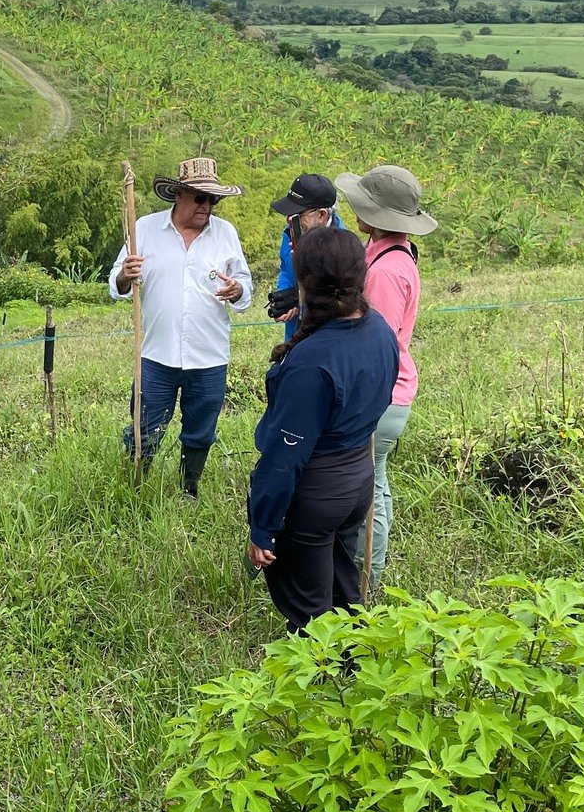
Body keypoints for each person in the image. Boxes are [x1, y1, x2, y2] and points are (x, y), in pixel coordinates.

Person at [246, 227, 398, 632]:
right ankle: (357, 661)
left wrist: (263, 527)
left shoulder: (311, 361)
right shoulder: (380, 330)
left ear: (305, 282)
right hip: (358, 478)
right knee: (343, 591)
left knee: (308, 612)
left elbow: (284, 457)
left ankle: (322, 670)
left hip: (316, 491)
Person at [109, 156, 253, 497]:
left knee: (200, 431)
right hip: (156, 354)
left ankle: (189, 489)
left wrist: (237, 290)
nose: (207, 206)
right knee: (144, 427)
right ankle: (136, 487)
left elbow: (245, 287)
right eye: (200, 198)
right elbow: (116, 284)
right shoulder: (145, 228)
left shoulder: (225, 234)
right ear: (179, 194)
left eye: (213, 200)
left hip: (208, 356)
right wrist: (125, 275)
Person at [335, 165, 437, 593]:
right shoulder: (386, 252)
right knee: (375, 482)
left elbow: (375, 343)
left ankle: (365, 579)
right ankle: (366, 570)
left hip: (380, 394)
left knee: (368, 489)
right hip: (390, 391)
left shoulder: (385, 271)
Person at [269, 174, 344, 340]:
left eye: (298, 215)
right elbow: (285, 269)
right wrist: (287, 298)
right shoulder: (291, 233)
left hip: (327, 336)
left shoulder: (344, 249)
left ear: (322, 214)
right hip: (295, 333)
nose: (290, 220)